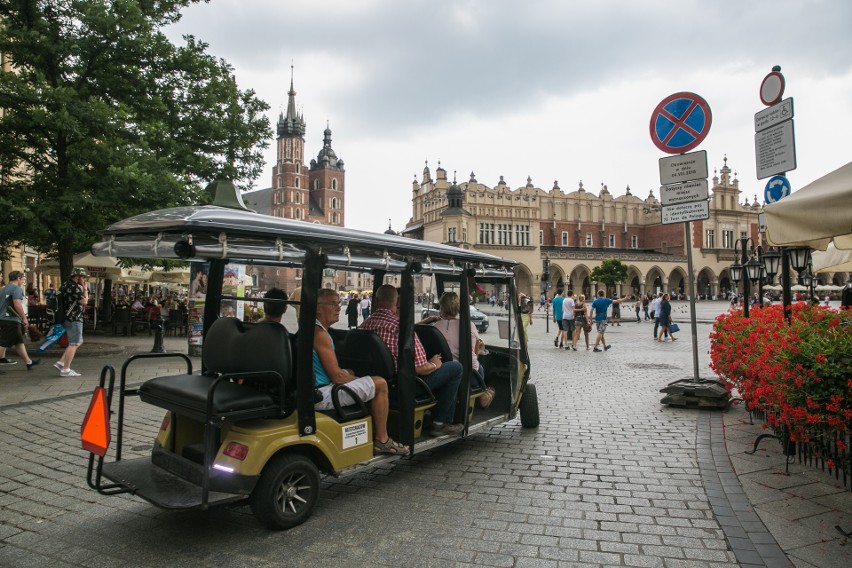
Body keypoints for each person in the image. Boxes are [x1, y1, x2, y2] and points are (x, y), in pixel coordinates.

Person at [361, 284, 464, 436]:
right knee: (456, 368)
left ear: (376, 300)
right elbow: (420, 369)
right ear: (396, 303)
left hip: (375, 384)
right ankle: (440, 422)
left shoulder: (365, 324)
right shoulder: (401, 328)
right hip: (405, 386)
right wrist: (434, 364)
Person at [312, 288, 406, 455]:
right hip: (321, 393)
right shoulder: (320, 334)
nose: (339, 308)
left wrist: (353, 375)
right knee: (380, 384)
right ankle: (382, 440)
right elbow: (337, 376)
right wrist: (360, 379)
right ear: (318, 308)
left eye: (338, 303)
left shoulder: (315, 329)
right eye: (333, 304)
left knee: (352, 371)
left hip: (318, 386)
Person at [422, 291, 494, 408]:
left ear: (442, 308)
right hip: (469, 376)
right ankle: (483, 393)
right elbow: (475, 351)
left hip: (443, 373)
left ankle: (482, 393)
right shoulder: (469, 325)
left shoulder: (435, 327)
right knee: (480, 367)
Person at [0, 271, 40, 369]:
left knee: (18, 341)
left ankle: (28, 362)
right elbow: (17, 304)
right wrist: (24, 318)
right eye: (22, 279)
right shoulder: (16, 289)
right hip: (11, 319)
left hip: (4, 318)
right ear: (18, 278)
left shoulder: (4, 289)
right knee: (3, 343)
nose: (23, 281)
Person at [55, 267, 89, 377]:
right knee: (74, 343)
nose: (84, 280)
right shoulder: (74, 287)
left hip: (67, 317)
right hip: (74, 318)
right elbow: (84, 301)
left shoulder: (65, 285)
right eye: (83, 277)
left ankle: (61, 362)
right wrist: (85, 289)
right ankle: (66, 370)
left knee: (79, 341)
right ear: (78, 276)